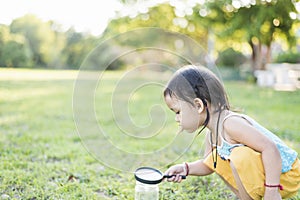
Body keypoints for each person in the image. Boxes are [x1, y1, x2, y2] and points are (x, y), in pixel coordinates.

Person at [163, 65, 300, 200]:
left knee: (239, 156)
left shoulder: (231, 124)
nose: (177, 118)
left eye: (178, 112)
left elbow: (270, 149)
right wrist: (185, 169)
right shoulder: (211, 135)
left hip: (284, 174)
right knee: (217, 159)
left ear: (199, 105)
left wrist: (271, 191)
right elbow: (208, 164)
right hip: (270, 174)